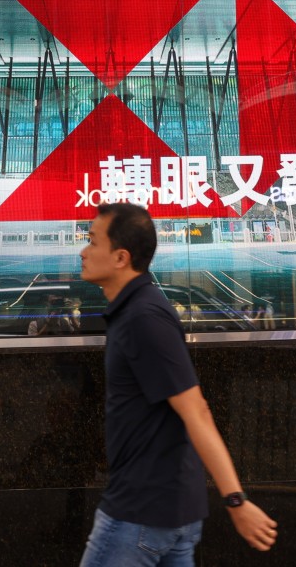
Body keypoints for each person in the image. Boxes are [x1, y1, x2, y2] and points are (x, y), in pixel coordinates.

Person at [78, 202, 277, 566]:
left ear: (121, 257)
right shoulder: (135, 310)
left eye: (92, 241)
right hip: (166, 511)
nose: (83, 251)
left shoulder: (143, 316)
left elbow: (196, 410)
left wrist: (236, 500)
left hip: (139, 514)